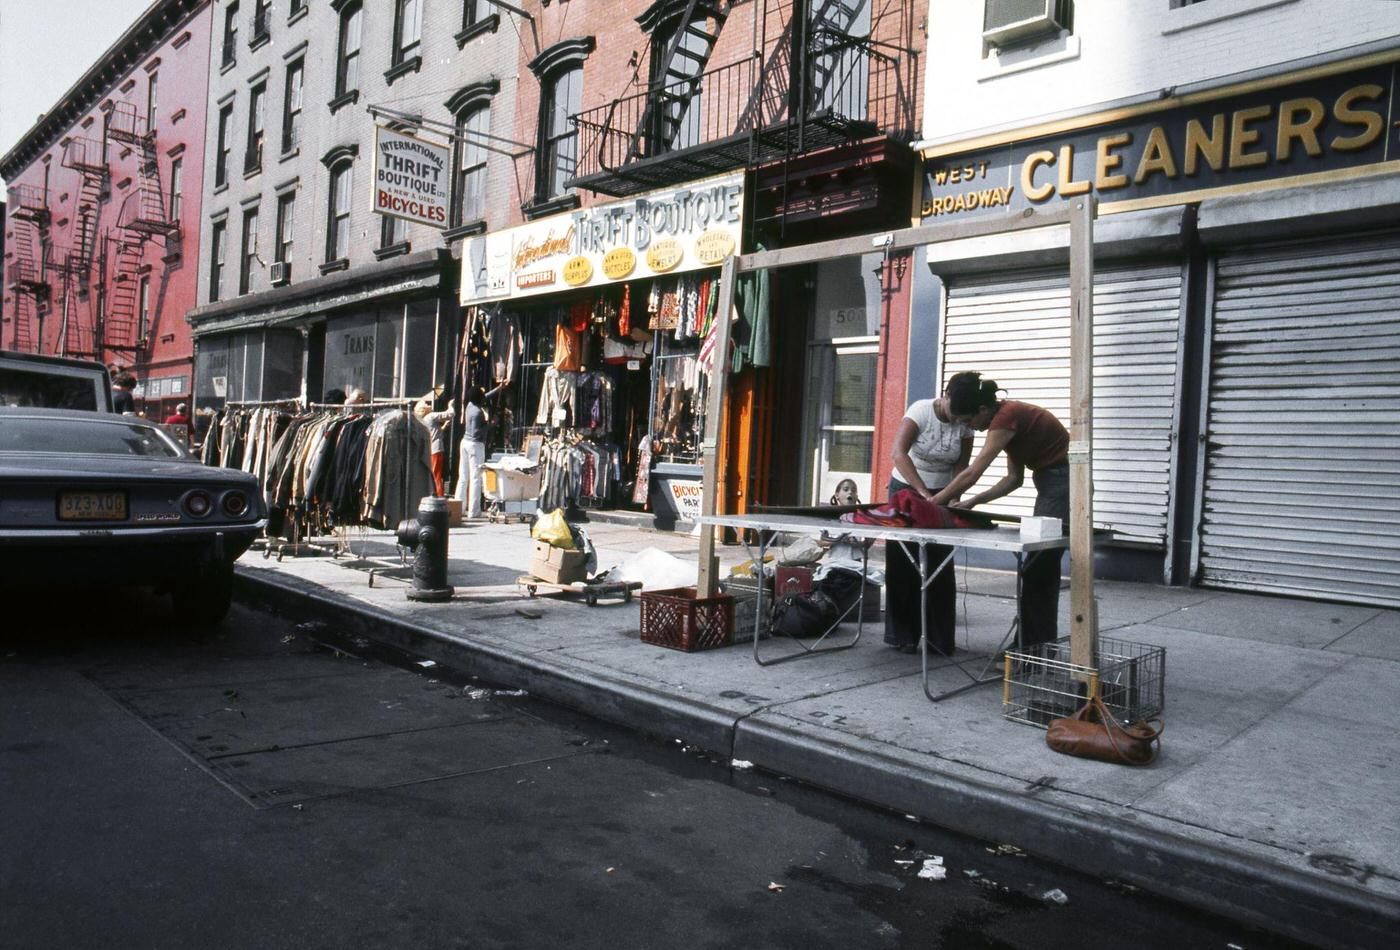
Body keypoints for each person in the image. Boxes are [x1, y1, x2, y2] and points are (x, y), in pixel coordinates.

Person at [930, 371, 1070, 649]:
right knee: (1036, 568)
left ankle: (1031, 651)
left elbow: (973, 472)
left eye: (969, 421)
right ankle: (1032, 647)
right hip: (1051, 480)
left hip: (1063, 481)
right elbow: (1013, 480)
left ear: (983, 409)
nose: (971, 427)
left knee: (1038, 567)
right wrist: (973, 502)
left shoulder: (1006, 418)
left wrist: (933, 503)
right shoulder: (1007, 418)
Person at [883, 376, 976, 655]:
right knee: (902, 560)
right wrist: (923, 492)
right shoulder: (920, 411)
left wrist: (954, 496)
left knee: (939, 562)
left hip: (943, 490)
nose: (957, 418)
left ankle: (939, 638)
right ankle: (903, 635)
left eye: (963, 416)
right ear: (945, 395)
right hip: (907, 487)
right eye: (953, 411)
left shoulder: (965, 423)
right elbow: (898, 453)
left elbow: (962, 465)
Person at [454, 387, 493, 518]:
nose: (484, 398)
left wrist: (499, 388)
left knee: (463, 477)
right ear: (479, 399)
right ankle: (474, 511)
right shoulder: (478, 413)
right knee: (476, 478)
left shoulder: (469, 406)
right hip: (475, 445)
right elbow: (477, 432)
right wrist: (490, 424)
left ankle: (459, 509)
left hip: (464, 443)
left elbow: (484, 396)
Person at [415, 394, 456, 497]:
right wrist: (450, 405)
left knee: (432, 474)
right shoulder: (431, 416)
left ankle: (431, 495)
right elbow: (451, 414)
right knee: (437, 475)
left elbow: (433, 432)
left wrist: (444, 426)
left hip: (428, 450)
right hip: (436, 449)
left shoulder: (421, 421)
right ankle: (439, 497)